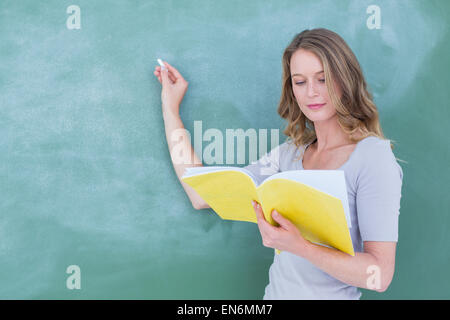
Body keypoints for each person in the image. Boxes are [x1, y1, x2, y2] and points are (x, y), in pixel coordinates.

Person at [153, 28, 403, 300]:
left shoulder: (372, 158)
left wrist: (300, 246)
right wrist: (170, 108)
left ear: (344, 80)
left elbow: (380, 276)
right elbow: (200, 194)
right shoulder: (289, 155)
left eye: (323, 79)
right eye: (300, 82)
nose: (312, 93)